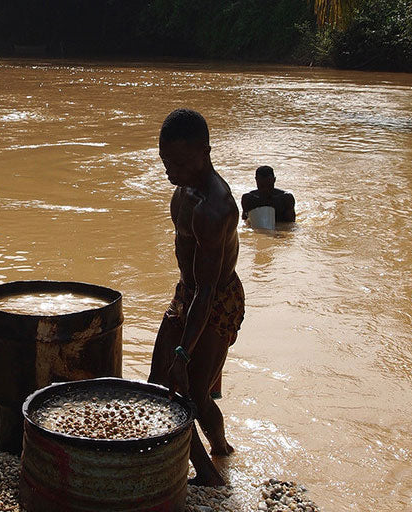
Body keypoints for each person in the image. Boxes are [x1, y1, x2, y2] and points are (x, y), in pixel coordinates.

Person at [148, 109, 245, 487]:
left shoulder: (214, 208)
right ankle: (214, 461)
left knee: (195, 393)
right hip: (188, 292)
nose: (170, 169)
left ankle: (214, 466)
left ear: (204, 153)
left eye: (179, 162)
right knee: (164, 385)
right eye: (164, 160)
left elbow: (207, 292)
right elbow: (192, 282)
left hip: (216, 300)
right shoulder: (183, 187)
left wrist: (183, 353)